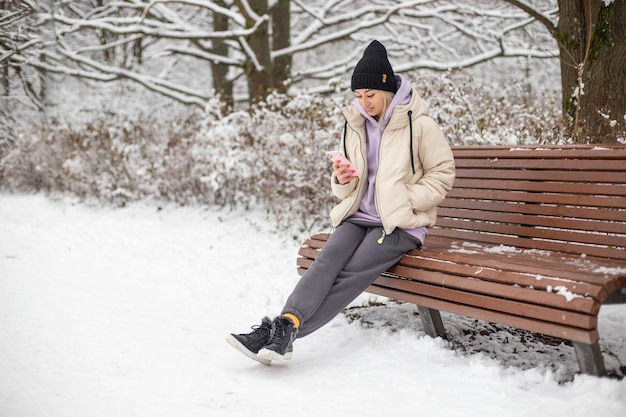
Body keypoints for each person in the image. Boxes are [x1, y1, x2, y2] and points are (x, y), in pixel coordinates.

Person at [226, 40, 455, 365]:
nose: (364, 102)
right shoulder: (356, 122)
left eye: (370, 95)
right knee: (325, 261)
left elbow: (443, 173)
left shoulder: (419, 125)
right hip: (359, 216)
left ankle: (286, 329)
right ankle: (284, 326)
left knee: (349, 273)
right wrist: (343, 178)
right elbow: (348, 182)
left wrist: (407, 199)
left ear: (387, 89)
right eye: (358, 96)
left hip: (399, 224)